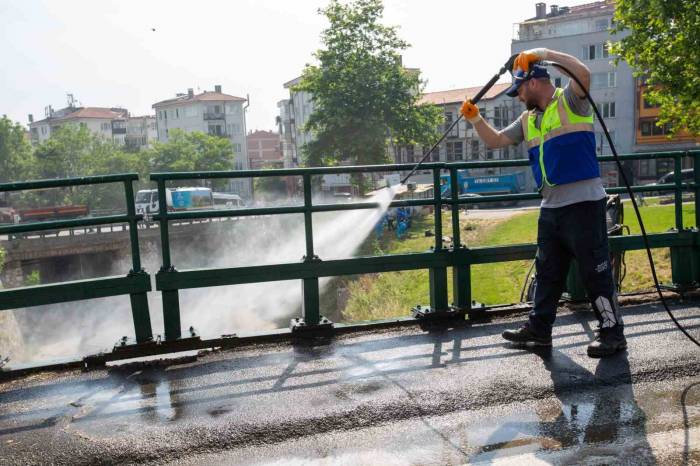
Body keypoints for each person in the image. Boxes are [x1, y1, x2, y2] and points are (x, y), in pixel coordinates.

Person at [460, 48, 626, 357]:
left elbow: (583, 73)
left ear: (534, 82)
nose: (519, 97)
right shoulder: (528, 120)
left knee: (595, 272)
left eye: (520, 90)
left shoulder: (571, 100)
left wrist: (544, 53)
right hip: (551, 209)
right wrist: (476, 119)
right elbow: (495, 141)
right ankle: (539, 332)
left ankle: (612, 333)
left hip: (584, 205)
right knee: (547, 272)